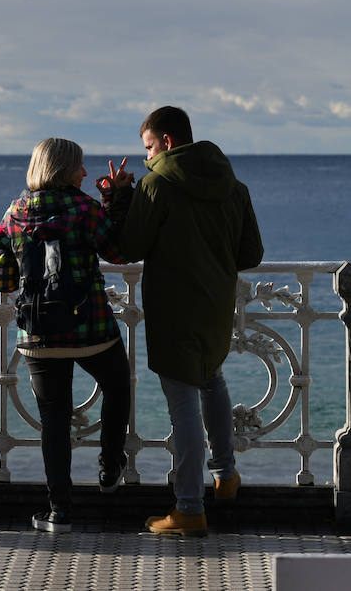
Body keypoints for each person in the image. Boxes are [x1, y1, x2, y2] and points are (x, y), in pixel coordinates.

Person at [106, 106, 264, 538]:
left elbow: (128, 246)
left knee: (183, 405)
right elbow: (251, 254)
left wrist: (120, 198)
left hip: (175, 308)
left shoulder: (157, 185)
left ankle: (190, 508)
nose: (147, 158)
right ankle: (226, 475)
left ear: (168, 141)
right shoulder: (234, 186)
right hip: (215, 307)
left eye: (149, 147)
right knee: (211, 381)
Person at [0, 137, 133, 533]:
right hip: (90, 328)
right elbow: (119, 252)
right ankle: (109, 466)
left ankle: (59, 512)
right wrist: (117, 199)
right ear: (64, 170)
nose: (85, 173)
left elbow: (0, 279)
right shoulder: (85, 209)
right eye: (80, 166)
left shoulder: (14, 213)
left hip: (38, 335)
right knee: (118, 385)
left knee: (54, 417)